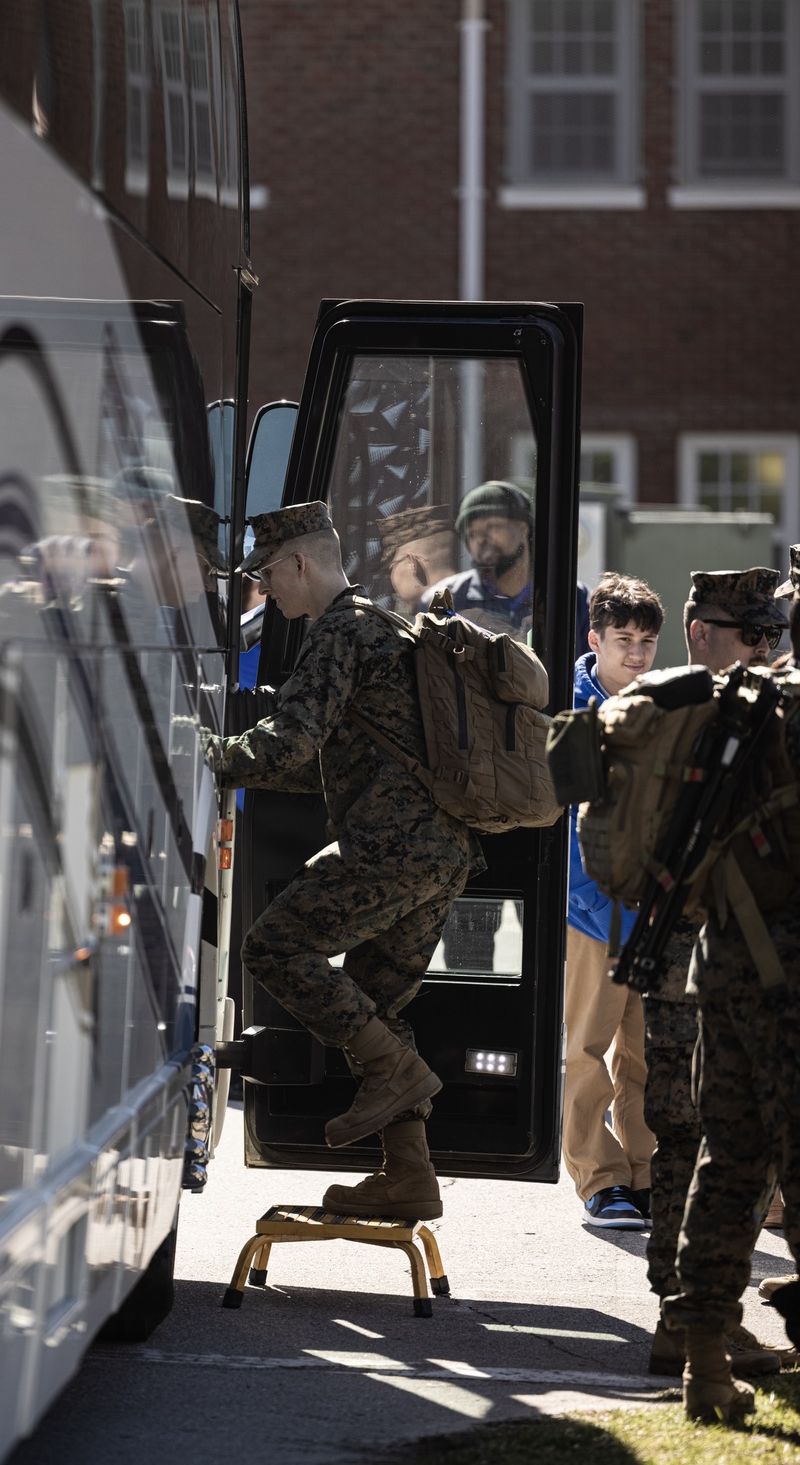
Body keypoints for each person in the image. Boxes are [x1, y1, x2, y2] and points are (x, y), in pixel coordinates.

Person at [202, 501, 485, 1218]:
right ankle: (408, 1175)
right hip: (442, 852)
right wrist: (249, 759)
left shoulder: (340, 632)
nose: (267, 591)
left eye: (268, 575)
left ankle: (397, 1073)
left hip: (391, 846)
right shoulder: (379, 626)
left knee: (273, 945)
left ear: (299, 562)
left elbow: (290, 742)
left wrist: (205, 757)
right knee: (379, 1003)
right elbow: (316, 765)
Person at [644, 567, 790, 1379]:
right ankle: (689, 1320)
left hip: (711, 953)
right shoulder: (703, 714)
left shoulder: (742, 711)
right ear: (701, 630)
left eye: (775, 632)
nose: (770, 647)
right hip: (696, 957)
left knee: (711, 1146)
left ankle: (695, 1323)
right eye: (755, 632)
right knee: (700, 1143)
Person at [563, 573, 662, 1230]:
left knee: (648, 1053)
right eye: (623, 639)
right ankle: (600, 1178)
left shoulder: (666, 709)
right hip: (591, 911)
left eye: (646, 642)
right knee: (587, 1048)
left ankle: (648, 1171)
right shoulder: (570, 711)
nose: (635, 653)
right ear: (595, 637)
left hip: (654, 914)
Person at [423, 480, 590, 655]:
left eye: (492, 526)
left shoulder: (576, 599)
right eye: (472, 533)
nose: (481, 539)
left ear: (523, 528)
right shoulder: (446, 600)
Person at [377, 504, 457, 618]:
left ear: (412, 563)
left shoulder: (448, 626)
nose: (391, 581)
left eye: (391, 569)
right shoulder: (464, 618)